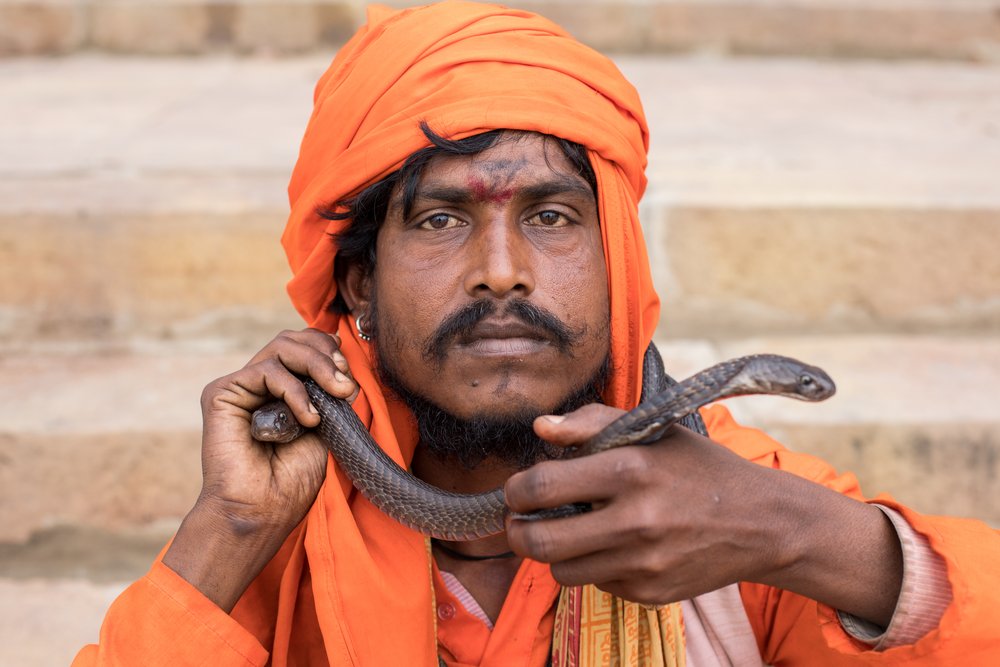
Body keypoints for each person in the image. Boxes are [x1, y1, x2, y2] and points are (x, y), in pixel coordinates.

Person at [74, 2, 999, 665]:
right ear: (357, 281)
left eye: (554, 218)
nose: (503, 270)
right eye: (440, 221)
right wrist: (227, 530)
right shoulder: (273, 548)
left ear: (619, 266)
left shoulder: (730, 510)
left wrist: (804, 536)